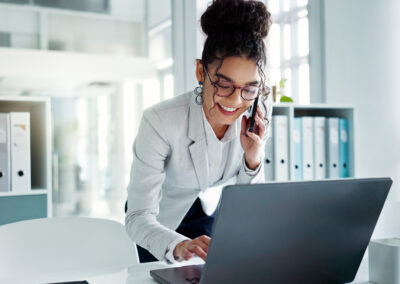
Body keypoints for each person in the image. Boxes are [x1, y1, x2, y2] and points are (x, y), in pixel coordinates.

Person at [125, 0, 272, 263]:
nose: (236, 101)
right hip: (158, 225)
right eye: (224, 84)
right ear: (200, 72)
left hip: (209, 218)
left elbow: (253, 207)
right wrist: (178, 245)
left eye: (249, 89)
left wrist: (253, 159)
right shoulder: (160, 121)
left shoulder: (254, 114)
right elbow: (137, 217)